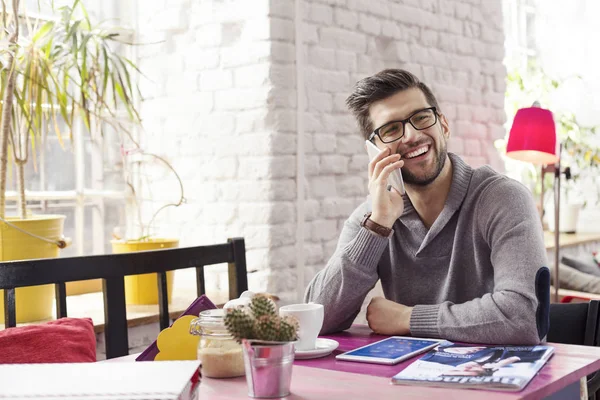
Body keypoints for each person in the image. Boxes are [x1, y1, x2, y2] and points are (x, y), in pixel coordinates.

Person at [304, 69, 549, 345]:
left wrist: (408, 319)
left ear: (443, 125)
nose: (411, 135)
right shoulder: (373, 216)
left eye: (421, 118)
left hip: (501, 381)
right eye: (391, 129)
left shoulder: (503, 199)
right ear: (374, 151)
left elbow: (525, 316)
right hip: (408, 383)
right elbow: (316, 320)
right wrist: (378, 225)